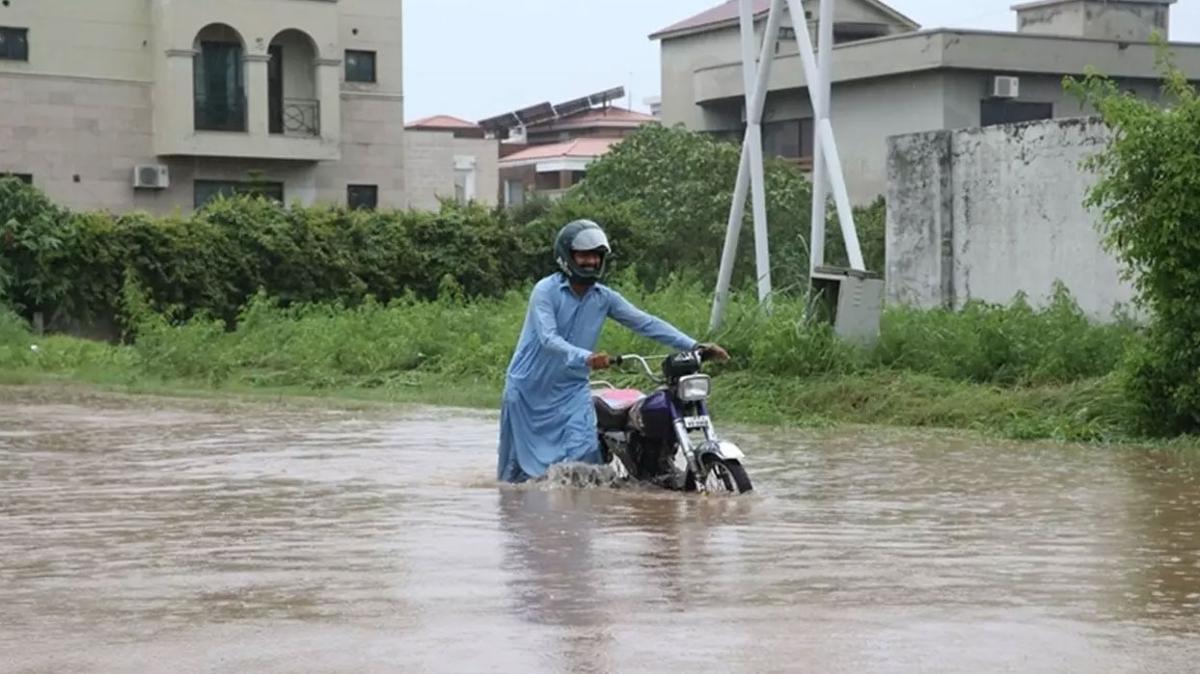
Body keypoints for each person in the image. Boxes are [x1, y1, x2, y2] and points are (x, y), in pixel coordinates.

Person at [496, 219, 729, 483]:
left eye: (596, 256)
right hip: (529, 389)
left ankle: (576, 519)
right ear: (566, 256)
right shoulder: (545, 291)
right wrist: (587, 357)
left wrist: (694, 346)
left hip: (570, 389)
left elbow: (646, 322)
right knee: (516, 473)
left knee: (584, 452)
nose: (591, 262)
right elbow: (549, 338)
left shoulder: (603, 297)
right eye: (584, 255)